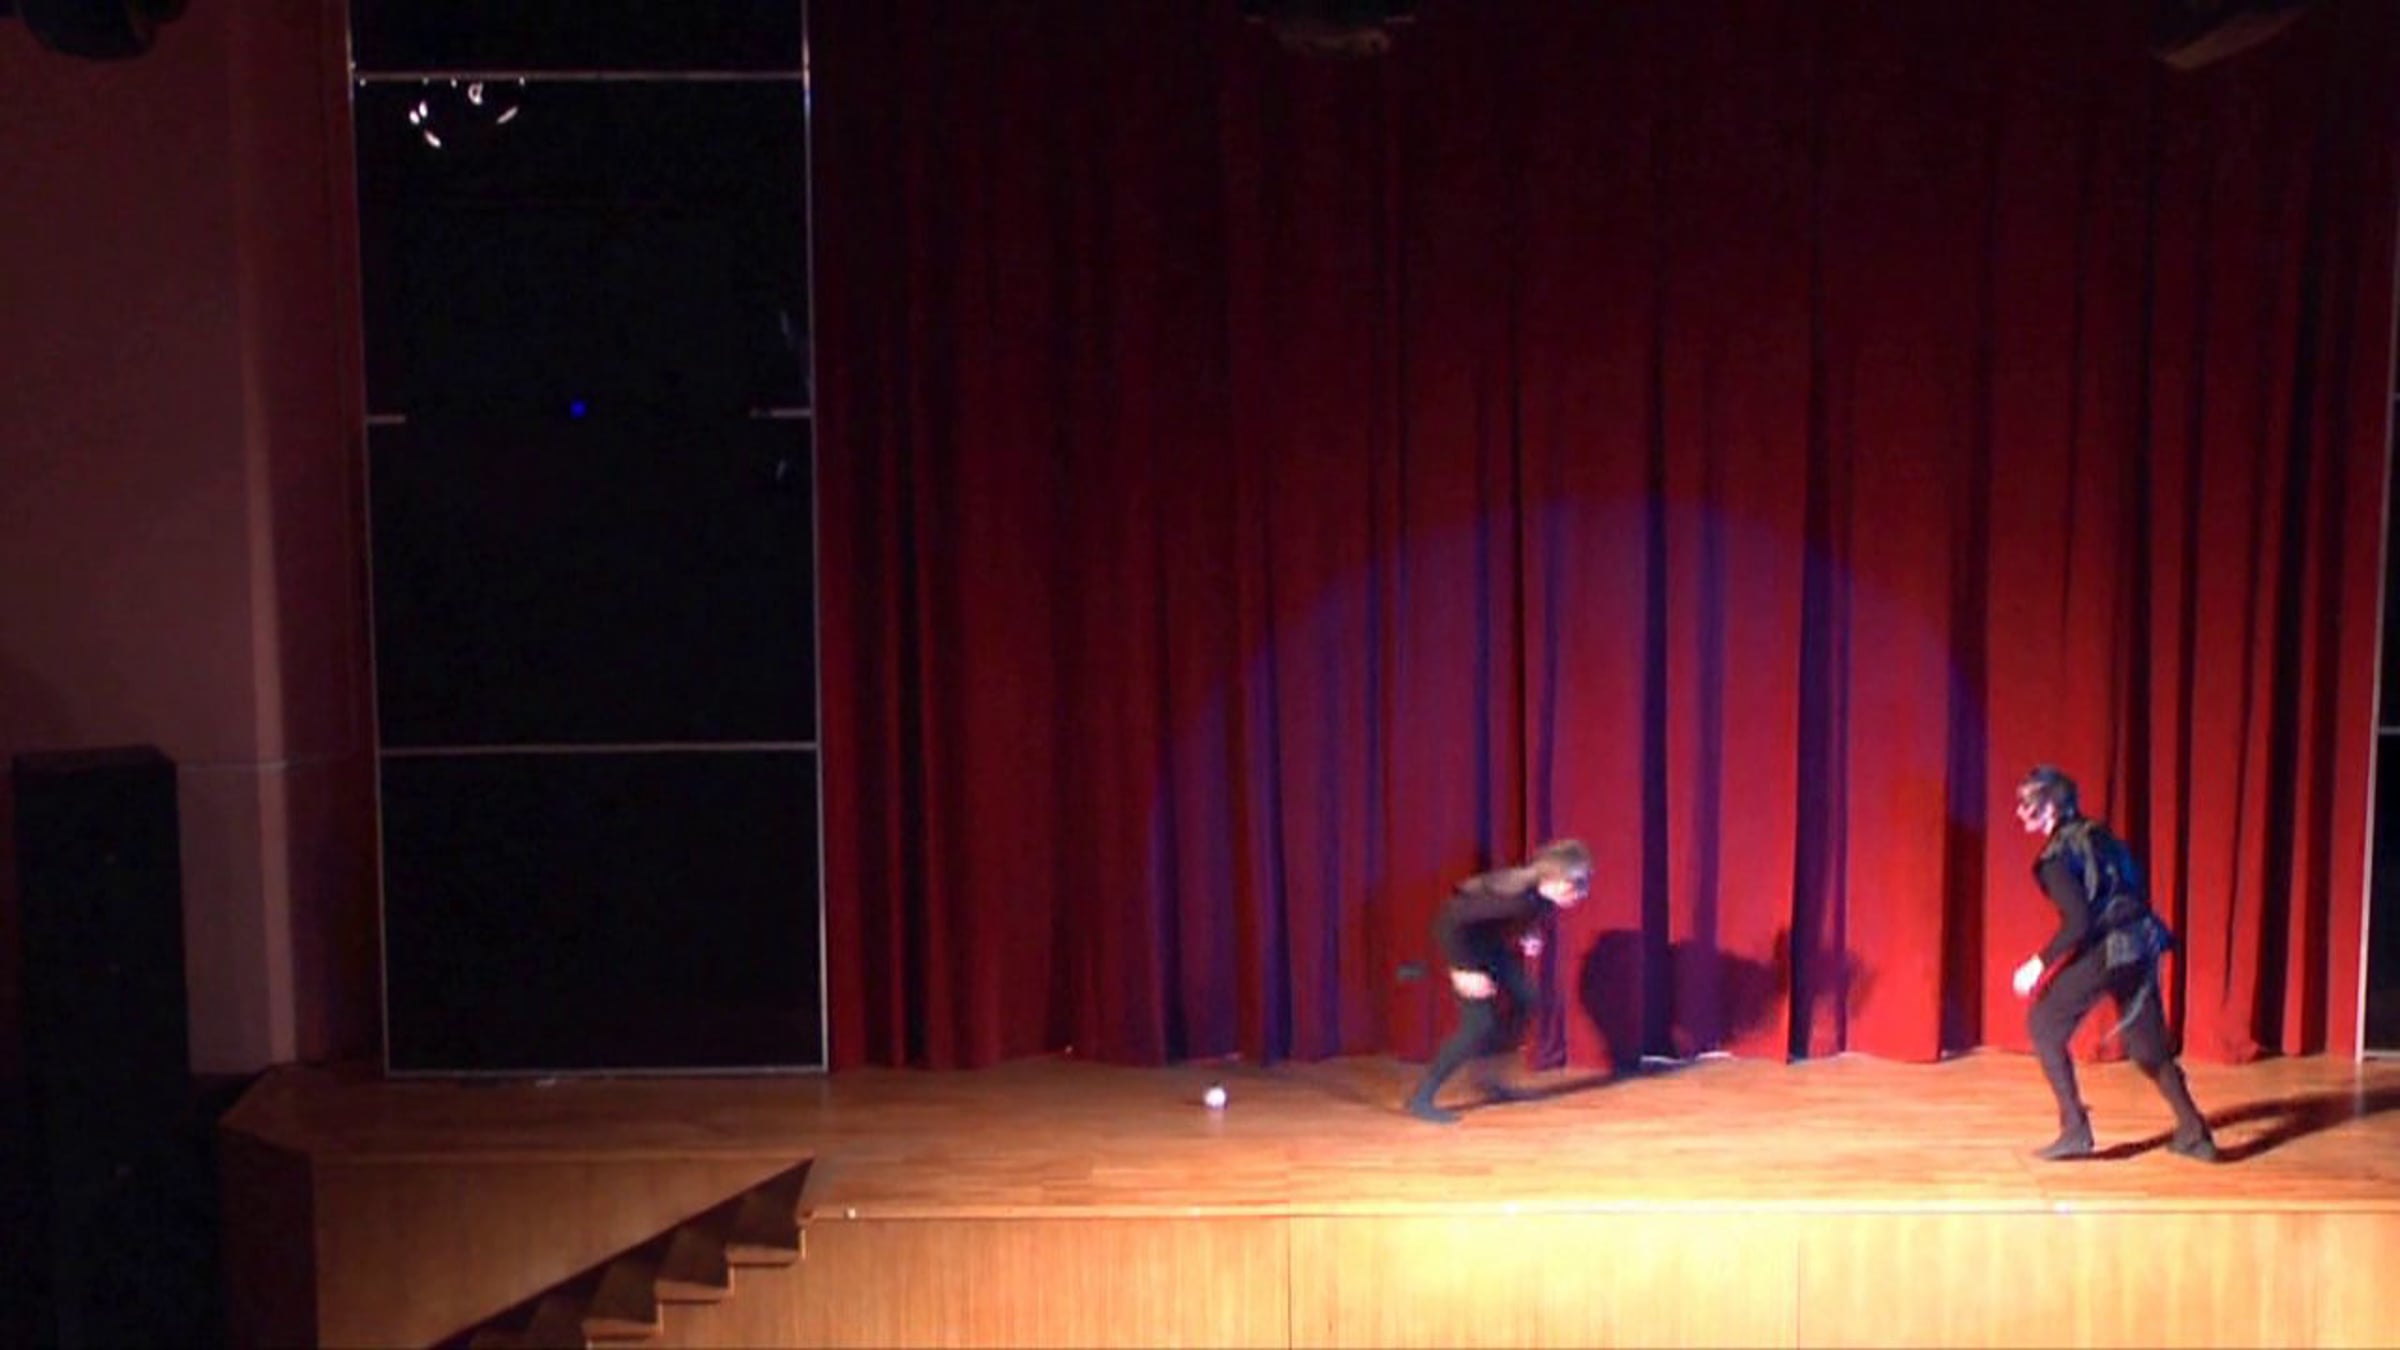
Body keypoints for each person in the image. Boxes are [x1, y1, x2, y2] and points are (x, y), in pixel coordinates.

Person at [2010, 766, 2218, 1162]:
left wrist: (2039, 964)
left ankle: (2075, 1130)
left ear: (2050, 807)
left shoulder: (2055, 859)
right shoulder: (2100, 835)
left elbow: (2079, 922)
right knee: (2148, 1046)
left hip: (2112, 948)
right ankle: (2195, 1132)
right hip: (2140, 943)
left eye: (2027, 804)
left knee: (2044, 1023)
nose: (2020, 812)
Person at [1404, 839, 1592, 1124]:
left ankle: (1488, 1078)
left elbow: (1523, 917)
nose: (1581, 894)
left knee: (1527, 998)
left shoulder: (1541, 897)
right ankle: (1421, 1097)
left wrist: (1528, 934)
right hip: (1464, 947)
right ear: (1554, 879)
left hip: (1488, 945)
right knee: (1479, 1024)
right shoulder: (1511, 897)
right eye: (1575, 886)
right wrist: (1462, 970)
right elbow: (1448, 923)